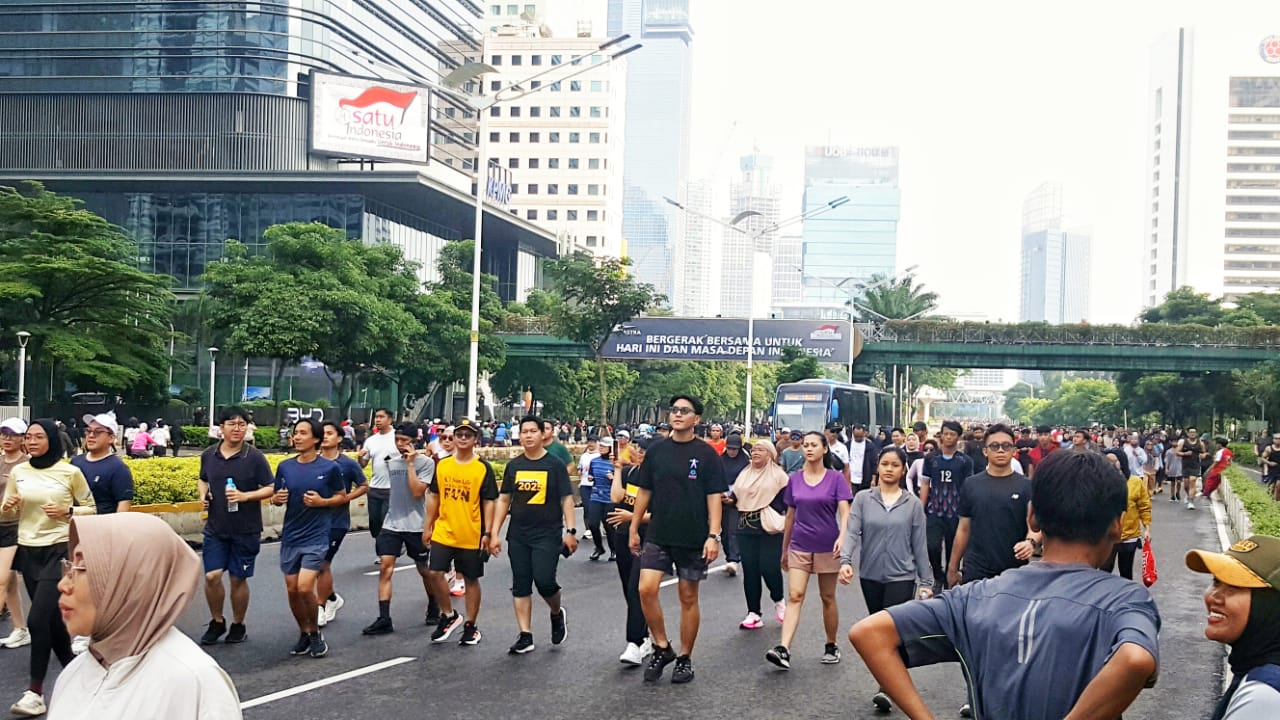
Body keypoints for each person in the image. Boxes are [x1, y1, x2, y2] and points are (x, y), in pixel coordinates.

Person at [849, 450, 1161, 719]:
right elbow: (1135, 659)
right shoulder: (1124, 600)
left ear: (1034, 518)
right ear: (1117, 526)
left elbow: (869, 633)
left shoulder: (975, 595)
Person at [48, 513, 242, 719]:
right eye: (69, 568)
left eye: (82, 568)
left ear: (133, 581)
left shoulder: (194, 682)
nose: (63, 585)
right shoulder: (73, 674)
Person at [629, 394, 727, 684]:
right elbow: (644, 491)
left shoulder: (707, 454)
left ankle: (685, 657)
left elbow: (714, 497)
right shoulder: (658, 451)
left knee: (688, 597)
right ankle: (662, 646)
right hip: (659, 532)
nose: (677, 415)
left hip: (693, 535)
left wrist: (714, 535)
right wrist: (634, 527)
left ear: (696, 419)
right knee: (645, 589)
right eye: (674, 410)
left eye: (685, 411)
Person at [3, 419, 96, 717]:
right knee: (54, 624)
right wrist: (9, 506)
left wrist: (67, 512)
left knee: (38, 619)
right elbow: (8, 507)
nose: (31, 442)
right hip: (28, 550)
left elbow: (91, 507)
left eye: (38, 437)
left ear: (52, 440)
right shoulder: (19, 472)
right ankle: (82, 679)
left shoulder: (70, 472)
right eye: (28, 437)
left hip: (58, 550)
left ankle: (35, 692)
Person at [839, 446, 933, 713]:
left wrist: (926, 582)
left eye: (895, 465)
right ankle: (892, 683)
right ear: (877, 468)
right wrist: (845, 562)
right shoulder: (863, 499)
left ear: (903, 469)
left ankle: (886, 688)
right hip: (870, 575)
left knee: (890, 634)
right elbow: (852, 532)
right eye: (885, 464)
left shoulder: (912, 504)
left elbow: (919, 545)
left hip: (902, 577)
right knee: (880, 633)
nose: (889, 469)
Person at [488, 416, 577, 654]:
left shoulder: (555, 464)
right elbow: (504, 499)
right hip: (518, 534)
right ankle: (525, 634)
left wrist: (570, 531)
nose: (527, 436)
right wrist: (494, 533)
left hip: (547, 534)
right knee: (520, 584)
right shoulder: (514, 466)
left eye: (532, 431)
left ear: (542, 435)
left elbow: (566, 498)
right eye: (523, 431)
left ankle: (557, 613)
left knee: (545, 581)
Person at [765, 431, 853, 670]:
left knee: (827, 597)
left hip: (827, 545)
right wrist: (784, 549)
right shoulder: (794, 479)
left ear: (825, 449)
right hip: (799, 545)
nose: (809, 449)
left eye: (814, 445)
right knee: (795, 596)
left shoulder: (835, 479)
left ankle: (831, 644)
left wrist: (843, 538)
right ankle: (783, 648)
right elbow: (790, 516)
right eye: (805, 445)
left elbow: (845, 513)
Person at [197, 407, 274, 646]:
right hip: (216, 527)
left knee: (238, 579)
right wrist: (204, 495)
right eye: (232, 424)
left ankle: (238, 624)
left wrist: (245, 496)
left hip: (246, 528)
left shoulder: (254, 457)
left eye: (242, 424)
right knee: (211, 576)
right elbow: (203, 479)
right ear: (222, 428)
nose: (237, 428)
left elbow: (271, 487)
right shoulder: (209, 455)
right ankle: (217, 621)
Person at [270, 419, 346, 658]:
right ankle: (304, 632)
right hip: (291, 535)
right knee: (292, 590)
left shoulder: (329, 468)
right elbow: (276, 495)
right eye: (295, 433)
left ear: (316, 439)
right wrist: (276, 499)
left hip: (317, 536)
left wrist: (322, 502)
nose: (297, 437)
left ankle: (315, 634)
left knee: (305, 587)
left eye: (303, 433)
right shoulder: (285, 466)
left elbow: (341, 497)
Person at [1185, 534, 1280, 719]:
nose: (1214, 596)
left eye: (1234, 587)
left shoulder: (1264, 693)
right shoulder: (1256, 669)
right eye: (1216, 582)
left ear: (1270, 605)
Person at [423, 418, 498, 647]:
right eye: (459, 435)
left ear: (476, 439)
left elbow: (489, 502)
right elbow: (434, 496)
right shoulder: (443, 465)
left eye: (468, 435)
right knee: (435, 572)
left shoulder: (482, 468)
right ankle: (448, 615)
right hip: (444, 530)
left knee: (471, 579)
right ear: (453, 438)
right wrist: (428, 525)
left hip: (471, 533)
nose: (463, 439)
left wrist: (489, 532)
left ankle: (471, 625)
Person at [363, 423, 436, 636]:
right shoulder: (391, 463)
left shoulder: (426, 464)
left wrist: (411, 465)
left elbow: (416, 492)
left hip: (415, 525)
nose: (401, 445)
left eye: (405, 441)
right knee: (386, 567)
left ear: (415, 442)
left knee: (424, 569)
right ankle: (384, 617)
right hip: (392, 523)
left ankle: (434, 603)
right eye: (398, 440)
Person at [946, 424, 1036, 588]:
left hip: (1013, 569)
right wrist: (953, 567)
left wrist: (1030, 542)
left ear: (1014, 450)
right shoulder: (971, 484)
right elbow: (963, 528)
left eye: (1006, 446)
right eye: (994, 446)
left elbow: (1035, 527)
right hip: (976, 569)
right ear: (985, 451)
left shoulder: (1026, 486)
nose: (1000, 450)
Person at [730, 438, 790, 631]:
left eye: (761, 450)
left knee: (769, 567)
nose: (755, 453)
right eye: (754, 450)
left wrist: (765, 506)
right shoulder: (745, 474)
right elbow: (736, 496)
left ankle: (779, 601)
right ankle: (754, 612)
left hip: (769, 528)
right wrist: (726, 500)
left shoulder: (779, 476)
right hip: (745, 526)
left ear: (770, 454)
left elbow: (786, 501)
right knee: (750, 570)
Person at [317, 421, 367, 628]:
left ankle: (319, 606)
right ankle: (332, 599)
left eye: (330, 433)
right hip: (312, 521)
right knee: (314, 565)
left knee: (321, 563)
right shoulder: (310, 462)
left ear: (339, 438)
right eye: (322, 433)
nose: (325, 436)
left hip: (336, 521)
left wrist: (346, 498)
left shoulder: (347, 464)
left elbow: (364, 485)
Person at [607, 438, 652, 664]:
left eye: (647, 450)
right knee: (629, 588)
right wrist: (617, 471)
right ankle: (644, 636)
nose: (642, 453)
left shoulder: (660, 479)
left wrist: (633, 517)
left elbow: (663, 514)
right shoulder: (630, 473)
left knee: (637, 587)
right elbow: (616, 497)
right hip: (623, 535)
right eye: (640, 449)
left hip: (648, 538)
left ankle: (635, 642)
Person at [919, 420, 974, 592]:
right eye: (946, 433)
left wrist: (968, 509)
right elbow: (925, 484)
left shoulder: (965, 461)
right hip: (935, 509)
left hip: (956, 511)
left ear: (958, 437)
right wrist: (921, 507)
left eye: (952, 434)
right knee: (932, 545)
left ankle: (951, 577)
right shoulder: (930, 459)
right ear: (941, 435)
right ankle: (938, 575)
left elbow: (967, 486)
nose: (948, 437)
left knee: (953, 546)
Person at [1099, 449, 1152, 582]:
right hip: (1106, 535)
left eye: (1114, 461)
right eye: (1107, 461)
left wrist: (1147, 529)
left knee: (1126, 572)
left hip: (1129, 535)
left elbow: (1144, 506)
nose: (1110, 464)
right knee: (1104, 570)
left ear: (1121, 462)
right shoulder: (1098, 482)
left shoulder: (1135, 482)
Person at [0, 418, 30, 650]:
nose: (7, 438)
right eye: (4, 433)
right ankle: (21, 629)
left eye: (13, 434)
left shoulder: (27, 465)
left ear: (23, 438)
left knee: (1, 580)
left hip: (16, 527)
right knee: (8, 582)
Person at [70, 413, 133, 517]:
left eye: (98, 432)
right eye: (89, 431)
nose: (91, 436)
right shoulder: (76, 462)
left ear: (111, 438)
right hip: (75, 525)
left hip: (102, 527)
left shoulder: (118, 468)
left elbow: (123, 506)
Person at [359, 409, 398, 550]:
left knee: (385, 521)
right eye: (376, 417)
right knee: (374, 522)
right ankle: (384, 547)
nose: (378, 420)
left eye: (381, 417)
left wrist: (391, 460)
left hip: (392, 488)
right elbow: (363, 464)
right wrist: (360, 456)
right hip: (374, 488)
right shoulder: (371, 440)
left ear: (390, 419)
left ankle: (384, 552)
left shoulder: (397, 437)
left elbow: (405, 458)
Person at [719, 433, 750, 577]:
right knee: (724, 532)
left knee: (732, 530)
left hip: (738, 501)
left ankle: (733, 559)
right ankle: (729, 556)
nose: (732, 451)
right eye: (730, 448)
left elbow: (748, 483)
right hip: (721, 499)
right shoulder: (720, 461)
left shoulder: (746, 463)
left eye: (735, 449)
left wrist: (734, 496)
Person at [586, 438, 618, 561]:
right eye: (601, 446)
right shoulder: (594, 461)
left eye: (605, 446)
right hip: (596, 495)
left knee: (608, 525)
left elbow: (621, 480)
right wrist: (590, 477)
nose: (602, 448)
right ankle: (599, 547)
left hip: (610, 497)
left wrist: (613, 478)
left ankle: (614, 549)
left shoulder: (614, 463)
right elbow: (592, 475)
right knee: (592, 524)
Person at [1180, 427, 1210, 510]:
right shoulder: (1183, 442)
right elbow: (1177, 452)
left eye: (1194, 432)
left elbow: (1204, 453)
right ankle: (1189, 494)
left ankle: (1191, 501)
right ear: (1188, 433)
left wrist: (1203, 455)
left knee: (1192, 481)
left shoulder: (1200, 443)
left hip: (1195, 465)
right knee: (1186, 485)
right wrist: (1185, 453)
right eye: (1190, 432)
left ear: (1196, 433)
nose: (1192, 433)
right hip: (1185, 465)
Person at [848, 423, 879, 493]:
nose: (858, 438)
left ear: (864, 433)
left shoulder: (870, 447)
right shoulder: (847, 445)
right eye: (856, 436)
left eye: (860, 436)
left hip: (865, 479)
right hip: (851, 479)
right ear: (853, 433)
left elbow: (874, 464)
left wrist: (873, 480)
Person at [1202, 437, 1234, 502]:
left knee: (1210, 481)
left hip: (1218, 470)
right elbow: (1230, 462)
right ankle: (1209, 493)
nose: (1216, 446)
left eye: (1217, 444)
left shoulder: (1220, 452)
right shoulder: (1229, 452)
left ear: (1219, 444)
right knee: (1217, 483)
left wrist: (1209, 470)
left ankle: (1207, 493)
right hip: (1225, 469)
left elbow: (1216, 462)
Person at [1165, 434, 1186, 503]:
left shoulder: (1181, 450)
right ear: (1170, 442)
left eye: (1176, 441)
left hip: (1179, 468)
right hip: (1172, 468)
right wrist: (1166, 468)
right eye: (1173, 441)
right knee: (1173, 483)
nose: (1175, 443)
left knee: (1179, 482)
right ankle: (1172, 495)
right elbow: (1167, 461)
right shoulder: (1169, 451)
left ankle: (1178, 492)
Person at [1262, 433, 1280, 503]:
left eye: (1279, 439)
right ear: (1273, 440)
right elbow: (1263, 458)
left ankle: (1276, 502)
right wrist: (1269, 463)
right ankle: (1270, 501)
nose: (1278, 440)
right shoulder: (1269, 448)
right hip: (1272, 470)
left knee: (1278, 486)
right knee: (1271, 487)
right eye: (1276, 438)